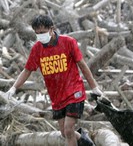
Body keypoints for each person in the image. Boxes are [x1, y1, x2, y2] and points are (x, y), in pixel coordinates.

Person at [5, 15, 103, 146]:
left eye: (43, 32)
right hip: (57, 96)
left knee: (68, 130)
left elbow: (82, 65)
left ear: (51, 29)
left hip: (74, 91)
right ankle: (86, 142)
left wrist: (95, 87)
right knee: (64, 133)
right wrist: (14, 88)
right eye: (37, 33)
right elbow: (27, 70)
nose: (40, 36)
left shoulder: (68, 42)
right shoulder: (37, 49)